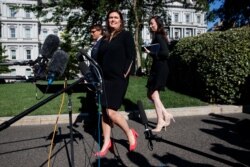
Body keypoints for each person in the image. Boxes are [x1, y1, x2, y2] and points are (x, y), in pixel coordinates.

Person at [94, 10, 138, 157]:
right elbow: (99, 58)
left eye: (115, 17)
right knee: (104, 113)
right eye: (110, 18)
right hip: (104, 79)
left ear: (120, 20)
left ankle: (129, 133)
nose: (112, 20)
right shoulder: (105, 38)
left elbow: (131, 55)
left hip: (118, 79)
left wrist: (125, 73)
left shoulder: (125, 35)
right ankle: (107, 142)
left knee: (111, 112)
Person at [143, 16, 175, 132]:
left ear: (158, 23)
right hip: (157, 68)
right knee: (150, 95)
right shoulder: (158, 35)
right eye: (150, 24)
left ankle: (161, 120)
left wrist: (150, 52)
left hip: (160, 68)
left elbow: (165, 53)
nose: (151, 25)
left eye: (152, 23)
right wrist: (150, 51)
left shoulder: (159, 36)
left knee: (154, 95)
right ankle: (166, 114)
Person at [84, 24, 104, 130]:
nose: (91, 34)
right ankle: (96, 123)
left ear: (100, 31)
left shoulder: (102, 43)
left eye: (93, 31)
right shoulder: (96, 43)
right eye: (91, 32)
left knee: (100, 102)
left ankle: (101, 125)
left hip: (99, 78)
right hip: (93, 77)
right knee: (92, 101)